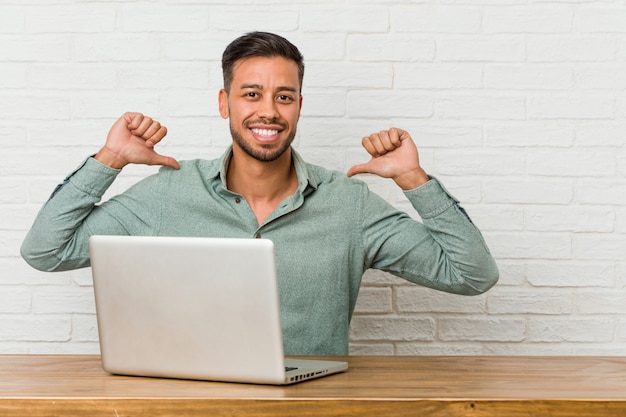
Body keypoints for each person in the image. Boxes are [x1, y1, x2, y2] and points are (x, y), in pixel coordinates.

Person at [21, 31, 499, 355]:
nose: (268, 111)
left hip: (314, 405)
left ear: (298, 106)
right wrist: (109, 160)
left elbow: (472, 275)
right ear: (224, 103)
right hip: (193, 403)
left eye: (283, 96)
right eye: (251, 94)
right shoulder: (168, 194)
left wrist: (414, 180)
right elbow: (46, 251)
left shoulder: (348, 204)